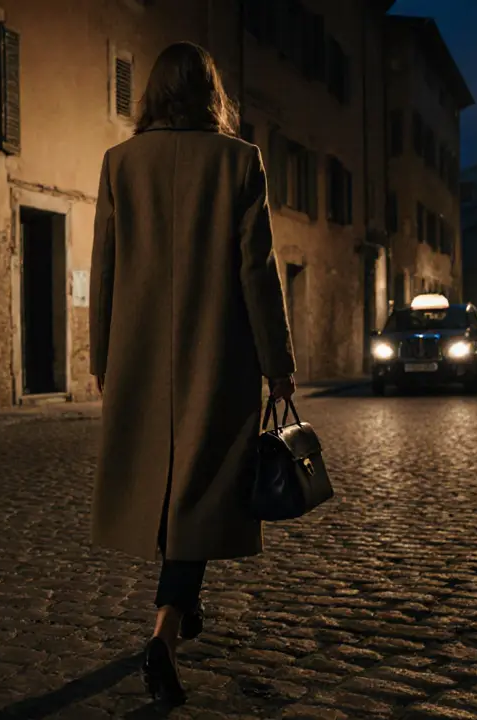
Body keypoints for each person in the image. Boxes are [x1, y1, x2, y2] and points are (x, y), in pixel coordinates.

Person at [88, 41, 296, 705]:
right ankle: (165, 630)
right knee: (202, 491)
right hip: (220, 357)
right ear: (213, 94)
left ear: (151, 93)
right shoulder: (240, 162)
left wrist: (102, 360)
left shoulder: (120, 164)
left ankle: (181, 611)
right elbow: (258, 273)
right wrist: (278, 365)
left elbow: (106, 270)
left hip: (141, 359)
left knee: (173, 493)